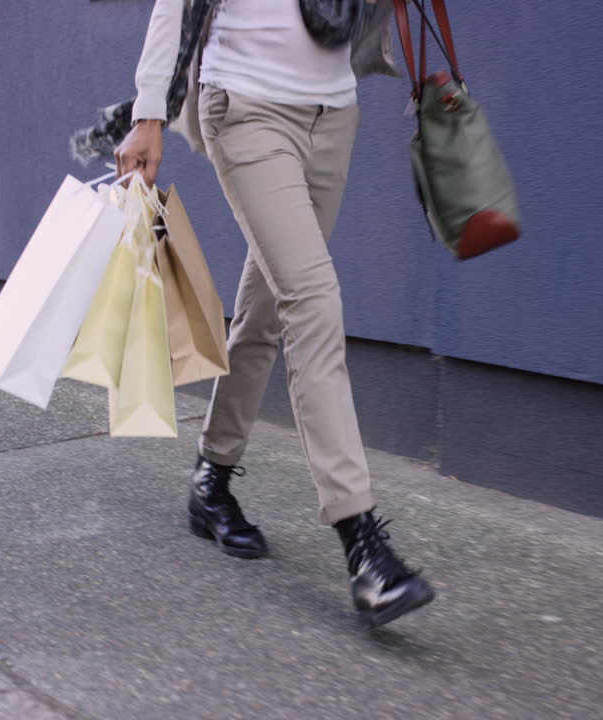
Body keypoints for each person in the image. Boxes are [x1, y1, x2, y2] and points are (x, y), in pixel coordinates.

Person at [116, 0, 434, 628]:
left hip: (335, 114)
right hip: (247, 108)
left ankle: (211, 478)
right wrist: (147, 114)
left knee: (267, 307)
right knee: (313, 300)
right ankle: (361, 541)